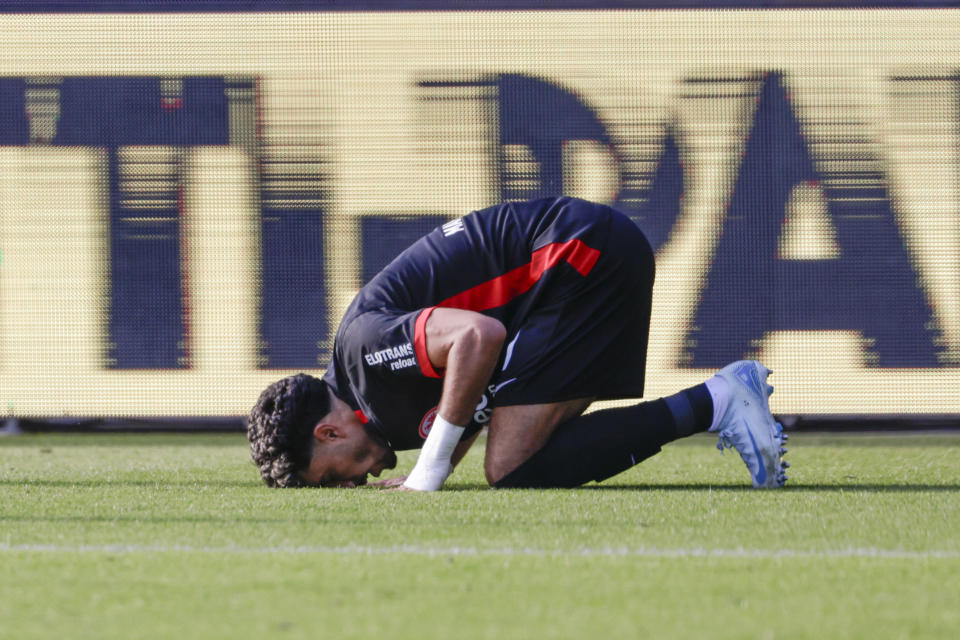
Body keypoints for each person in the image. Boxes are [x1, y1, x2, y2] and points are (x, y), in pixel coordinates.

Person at [247, 196, 789, 491]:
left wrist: (430, 475)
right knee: (525, 462)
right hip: (580, 261)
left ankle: (721, 401)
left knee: (510, 467)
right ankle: (716, 403)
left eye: (332, 476)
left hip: (576, 255)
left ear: (329, 430)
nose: (355, 482)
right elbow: (469, 404)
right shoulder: (372, 405)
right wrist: (430, 466)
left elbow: (479, 336)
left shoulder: (366, 353)